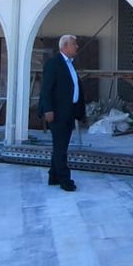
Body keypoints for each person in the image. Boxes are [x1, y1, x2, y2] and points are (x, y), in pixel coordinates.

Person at [38, 34, 86, 192]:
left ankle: (53, 176)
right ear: (65, 46)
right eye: (74, 44)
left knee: (61, 146)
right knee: (60, 147)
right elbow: (46, 89)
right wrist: (48, 109)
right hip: (57, 113)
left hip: (69, 111)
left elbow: (73, 87)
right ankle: (65, 180)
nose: (77, 47)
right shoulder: (54, 64)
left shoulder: (70, 64)